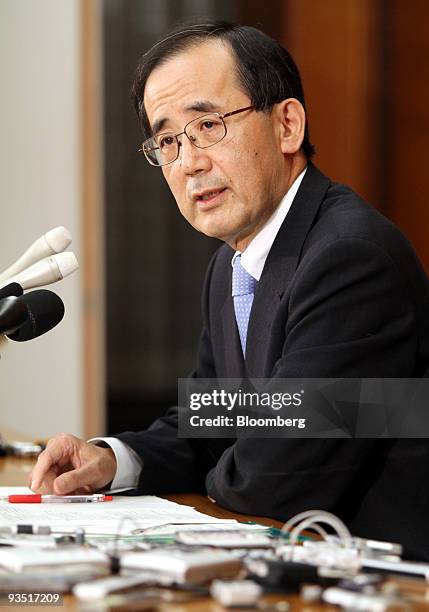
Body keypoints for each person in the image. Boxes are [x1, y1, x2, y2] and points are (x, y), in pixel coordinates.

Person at [30, 20, 429, 559]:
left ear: (287, 125)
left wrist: (235, 446)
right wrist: (113, 458)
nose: (189, 162)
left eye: (209, 125)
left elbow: (277, 475)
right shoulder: (232, 266)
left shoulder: (350, 258)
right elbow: (214, 417)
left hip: (386, 581)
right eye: (168, 140)